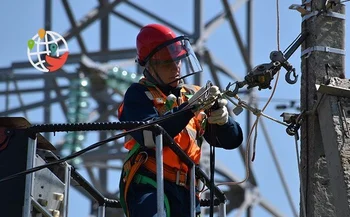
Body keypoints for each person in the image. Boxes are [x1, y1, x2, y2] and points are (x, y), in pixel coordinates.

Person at [118, 23, 243, 217]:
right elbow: (150, 137)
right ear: (150, 66)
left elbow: (231, 140)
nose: (175, 68)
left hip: (187, 192)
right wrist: (190, 108)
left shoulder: (192, 94)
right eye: (167, 63)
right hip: (151, 183)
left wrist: (223, 120)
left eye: (178, 61)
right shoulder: (139, 95)